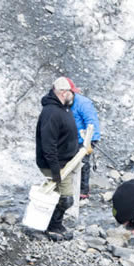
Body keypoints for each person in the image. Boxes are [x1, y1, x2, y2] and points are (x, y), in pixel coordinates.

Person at [35, 77, 81, 241]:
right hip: (57, 165)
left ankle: (53, 224)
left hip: (64, 162)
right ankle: (52, 227)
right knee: (65, 197)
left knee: (59, 195)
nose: (74, 96)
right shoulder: (51, 112)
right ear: (63, 92)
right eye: (72, 93)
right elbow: (48, 144)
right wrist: (55, 170)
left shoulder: (62, 109)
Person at [65, 78, 101, 199]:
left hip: (87, 137)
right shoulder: (62, 102)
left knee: (83, 163)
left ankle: (83, 191)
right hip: (71, 139)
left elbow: (91, 122)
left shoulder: (83, 103)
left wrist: (90, 141)